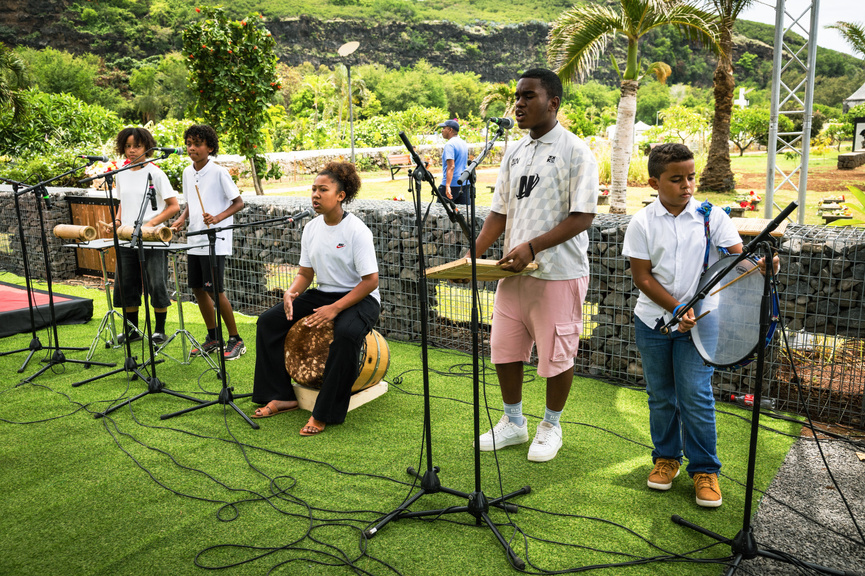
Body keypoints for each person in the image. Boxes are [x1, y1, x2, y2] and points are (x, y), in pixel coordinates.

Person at [471, 68, 598, 463]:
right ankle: (513, 422)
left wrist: (532, 247)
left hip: (558, 273)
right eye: (517, 96)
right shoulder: (515, 151)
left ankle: (550, 426)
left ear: (553, 102)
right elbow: (499, 213)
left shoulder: (577, 151)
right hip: (513, 275)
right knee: (504, 351)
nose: (519, 103)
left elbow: (584, 215)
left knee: (556, 355)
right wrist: (473, 255)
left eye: (528, 96)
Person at [622, 142, 744, 508]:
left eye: (691, 177)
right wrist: (677, 308)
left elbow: (736, 262)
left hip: (700, 324)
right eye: (677, 179)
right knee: (661, 395)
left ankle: (705, 469)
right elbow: (642, 278)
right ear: (654, 182)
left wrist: (763, 266)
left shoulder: (712, 216)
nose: (687, 185)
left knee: (695, 394)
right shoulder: (642, 222)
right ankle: (667, 458)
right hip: (653, 322)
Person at [250, 162, 380, 437]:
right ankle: (282, 395)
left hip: (361, 297)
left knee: (345, 335)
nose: (316, 195)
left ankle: (324, 413)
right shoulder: (311, 228)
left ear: (341, 195)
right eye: (313, 189)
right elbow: (306, 273)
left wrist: (334, 309)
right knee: (269, 323)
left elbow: (370, 281)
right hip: (324, 292)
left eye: (323, 189)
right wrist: (291, 291)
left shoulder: (357, 231)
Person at [170, 124, 246, 360]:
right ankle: (213, 337)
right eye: (189, 143)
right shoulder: (186, 172)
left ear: (209, 147)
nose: (192, 148)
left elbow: (238, 202)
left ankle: (236, 339)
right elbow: (190, 203)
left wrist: (217, 218)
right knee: (197, 288)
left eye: (197, 144)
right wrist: (181, 219)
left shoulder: (219, 172)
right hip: (195, 238)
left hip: (216, 239)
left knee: (215, 290)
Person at [103, 126, 179, 345]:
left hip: (152, 238)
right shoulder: (121, 173)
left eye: (137, 146)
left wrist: (151, 223)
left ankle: (159, 331)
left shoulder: (156, 173)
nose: (132, 150)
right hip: (127, 239)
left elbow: (173, 206)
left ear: (148, 147)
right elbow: (122, 205)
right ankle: (132, 331)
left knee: (157, 284)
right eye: (127, 146)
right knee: (127, 285)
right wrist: (117, 221)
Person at [437, 119, 469, 206]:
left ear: (450, 130)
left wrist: (447, 186)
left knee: (440, 213)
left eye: (444, 128)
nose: (442, 130)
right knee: (463, 215)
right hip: (464, 183)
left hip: (452, 184)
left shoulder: (450, 145)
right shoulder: (463, 143)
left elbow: (451, 166)